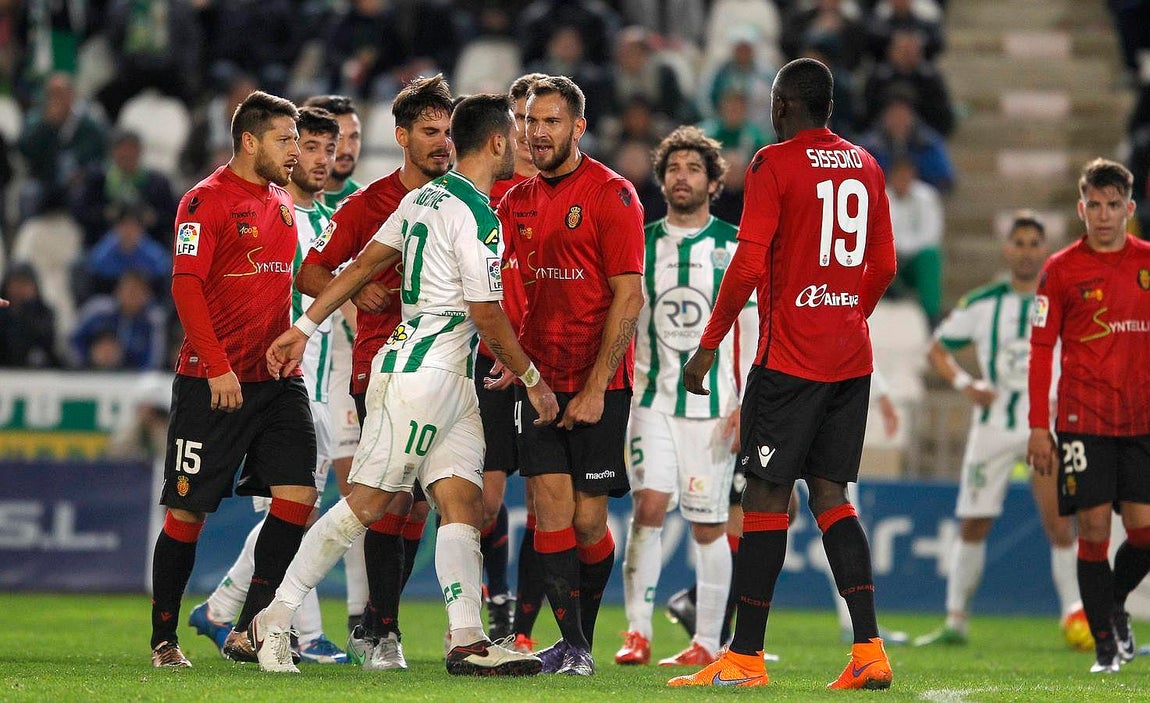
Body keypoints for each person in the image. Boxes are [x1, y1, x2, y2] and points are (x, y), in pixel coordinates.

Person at [254, 93, 559, 676]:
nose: (519, 147)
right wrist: (533, 380)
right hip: (421, 374)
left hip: (447, 375)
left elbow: (364, 264)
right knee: (368, 503)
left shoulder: (422, 198)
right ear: (497, 143)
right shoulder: (478, 215)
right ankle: (276, 614)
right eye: (514, 138)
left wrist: (304, 324)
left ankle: (467, 640)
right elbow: (487, 312)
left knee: (460, 501)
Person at [672, 57, 897, 690]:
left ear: (782, 107)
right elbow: (883, 261)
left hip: (791, 360)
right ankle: (869, 650)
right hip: (850, 357)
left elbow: (746, 265)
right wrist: (846, 311)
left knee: (766, 497)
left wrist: (710, 344)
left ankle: (744, 658)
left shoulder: (773, 164)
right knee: (831, 497)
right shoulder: (868, 164)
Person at [149, 90, 319, 669]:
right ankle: (164, 640)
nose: (294, 151)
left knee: (299, 494)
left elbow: (285, 278)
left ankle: (251, 626)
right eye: (285, 139)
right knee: (188, 512)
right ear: (249, 141)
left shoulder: (283, 202)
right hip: (211, 382)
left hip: (274, 380)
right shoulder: (204, 202)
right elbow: (185, 286)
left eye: (296, 140)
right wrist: (218, 366)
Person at [297, 75, 453, 670]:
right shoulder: (368, 204)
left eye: (447, 132)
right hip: (381, 370)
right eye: (430, 133)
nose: (442, 144)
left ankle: (376, 621)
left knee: (419, 504)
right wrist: (354, 292)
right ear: (403, 137)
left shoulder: (463, 200)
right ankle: (376, 628)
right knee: (391, 497)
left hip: (447, 370)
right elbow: (311, 272)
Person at [186, 106, 349, 665]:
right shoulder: (256, 205)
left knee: (295, 505)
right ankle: (290, 628)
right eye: (313, 146)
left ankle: (229, 610)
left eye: (335, 147)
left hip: (313, 384)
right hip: (266, 378)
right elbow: (192, 286)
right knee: (283, 508)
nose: (325, 157)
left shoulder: (326, 218)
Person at [496, 75, 646, 675]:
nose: (537, 133)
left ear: (578, 127)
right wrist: (515, 366)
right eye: (530, 122)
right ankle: (576, 647)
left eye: (551, 122)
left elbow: (628, 298)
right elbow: (507, 293)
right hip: (538, 382)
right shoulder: (514, 202)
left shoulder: (614, 196)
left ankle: (578, 636)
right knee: (551, 511)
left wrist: (591, 389)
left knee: (589, 521)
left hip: (599, 385)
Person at [915, 214, 1084, 647]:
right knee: (973, 523)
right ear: (1007, 250)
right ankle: (955, 621)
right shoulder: (982, 303)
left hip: (1043, 428)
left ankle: (1074, 616)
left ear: (1044, 251)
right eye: (1019, 243)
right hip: (992, 428)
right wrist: (965, 383)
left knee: (1060, 523)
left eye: (1034, 243)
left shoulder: (1062, 302)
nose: (1026, 251)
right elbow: (936, 348)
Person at [614, 125, 744, 669]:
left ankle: (708, 642)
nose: (681, 177)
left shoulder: (733, 247)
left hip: (713, 411)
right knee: (647, 506)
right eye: (673, 169)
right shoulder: (638, 242)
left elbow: (756, 330)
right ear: (661, 179)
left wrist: (747, 401)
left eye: (693, 169)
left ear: (714, 182)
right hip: (650, 401)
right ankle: (637, 633)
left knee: (708, 523)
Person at [1027, 158, 1150, 674]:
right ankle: (1104, 646)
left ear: (1129, 208)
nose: (1103, 215)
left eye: (1113, 205)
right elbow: (1040, 349)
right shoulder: (1059, 270)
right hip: (1084, 419)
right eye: (1094, 206)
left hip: (1141, 420)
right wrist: (1038, 424)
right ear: (1081, 208)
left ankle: (1112, 606)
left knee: (1144, 535)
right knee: (1094, 529)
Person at [476, 72, 543, 645]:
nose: (527, 132)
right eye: (519, 121)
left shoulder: (566, 191)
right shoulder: (486, 194)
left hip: (552, 359)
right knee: (488, 498)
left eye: (537, 120)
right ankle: (494, 595)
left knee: (550, 501)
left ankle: (522, 629)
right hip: (492, 356)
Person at [301, 92, 370, 634]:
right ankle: (248, 614)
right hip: (307, 369)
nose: (342, 150)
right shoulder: (303, 207)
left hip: (350, 373)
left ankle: (354, 618)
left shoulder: (365, 205)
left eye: (350, 139)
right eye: (330, 141)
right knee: (297, 501)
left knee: (353, 499)